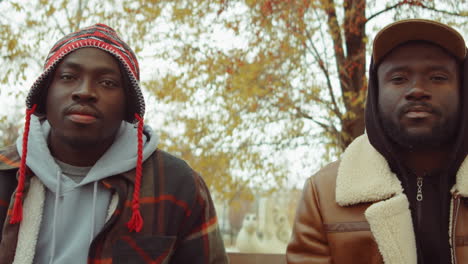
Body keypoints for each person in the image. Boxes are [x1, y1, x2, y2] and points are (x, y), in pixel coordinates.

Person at [0, 24, 228, 263]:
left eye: (107, 83)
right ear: (44, 95)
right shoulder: (5, 173)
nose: (85, 92)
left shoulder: (177, 184)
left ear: (128, 106)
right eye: (68, 77)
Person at [287, 19, 467, 264]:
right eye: (399, 78)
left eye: (437, 77)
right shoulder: (324, 194)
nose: (417, 89)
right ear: (376, 92)